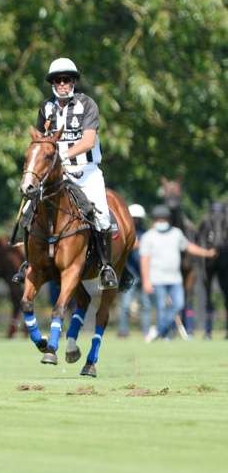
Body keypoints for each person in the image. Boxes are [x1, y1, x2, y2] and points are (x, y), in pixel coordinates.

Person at [34, 57, 119, 289]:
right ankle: (28, 262)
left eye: (67, 79)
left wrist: (63, 154)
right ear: (52, 83)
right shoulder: (46, 108)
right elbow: (41, 140)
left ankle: (105, 266)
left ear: (73, 82)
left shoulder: (87, 104)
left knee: (101, 213)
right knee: (29, 206)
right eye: (58, 80)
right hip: (56, 172)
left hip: (86, 170)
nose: (63, 84)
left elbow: (89, 140)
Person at [141, 204, 216, 342]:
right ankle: (164, 335)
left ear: (168, 220)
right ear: (154, 221)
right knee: (162, 308)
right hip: (157, 279)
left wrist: (206, 252)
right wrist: (146, 280)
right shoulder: (148, 237)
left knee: (179, 304)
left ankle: (158, 330)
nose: (162, 222)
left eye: (164, 220)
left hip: (175, 279)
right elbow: (144, 260)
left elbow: (189, 247)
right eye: (159, 220)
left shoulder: (176, 233)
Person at [118, 203, 148, 337]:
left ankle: (146, 332)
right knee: (125, 305)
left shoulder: (146, 234)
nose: (135, 221)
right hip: (131, 274)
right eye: (133, 218)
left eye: (138, 218)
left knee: (146, 305)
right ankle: (123, 331)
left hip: (146, 274)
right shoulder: (125, 233)